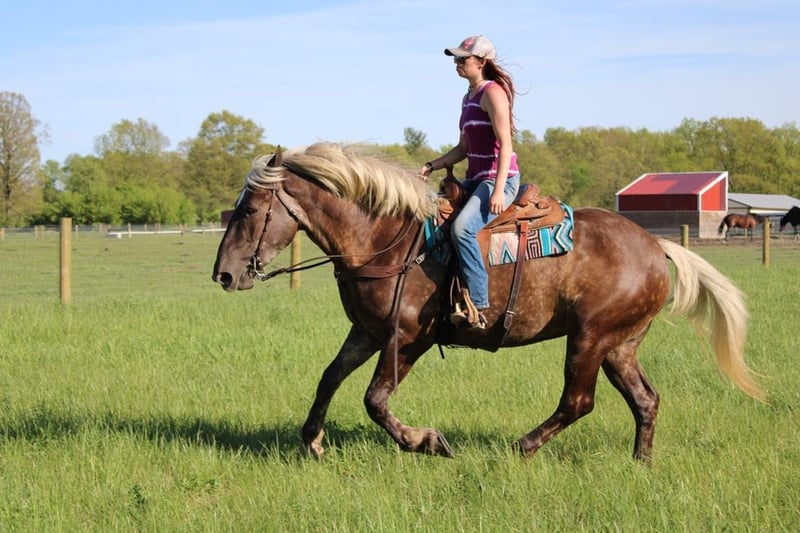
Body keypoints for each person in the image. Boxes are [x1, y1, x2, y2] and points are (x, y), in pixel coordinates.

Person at [418, 35, 520, 329]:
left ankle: (478, 303)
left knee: (462, 229)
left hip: (499, 180)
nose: (457, 63)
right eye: (456, 59)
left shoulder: (493, 93)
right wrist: (432, 165)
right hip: (474, 180)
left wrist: (499, 190)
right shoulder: (468, 98)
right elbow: (463, 148)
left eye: (463, 59)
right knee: (431, 219)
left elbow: (506, 145)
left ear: (482, 62)